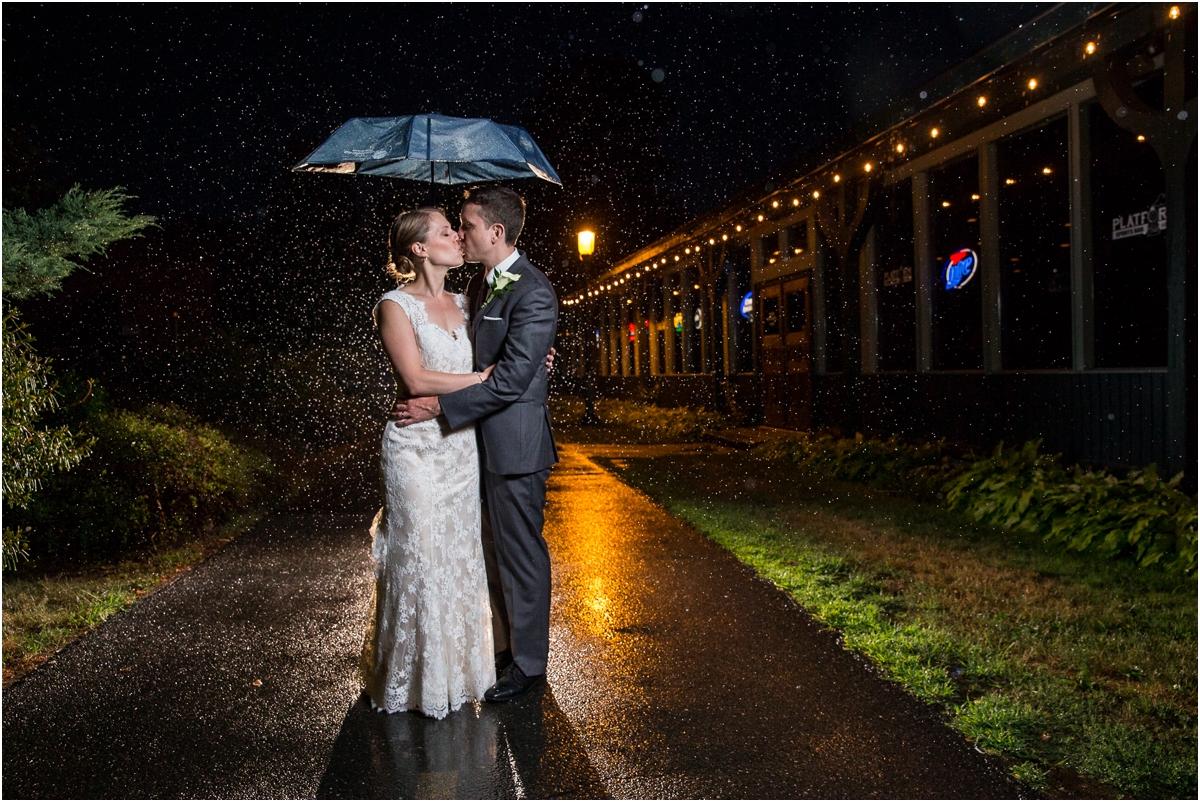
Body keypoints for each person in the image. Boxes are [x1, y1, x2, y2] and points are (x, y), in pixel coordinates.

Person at [394, 185, 559, 703]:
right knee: (487, 554)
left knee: (520, 554)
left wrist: (439, 406)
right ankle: (505, 648)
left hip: (513, 447)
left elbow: (509, 380)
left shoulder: (533, 290)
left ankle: (529, 666)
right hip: (471, 447)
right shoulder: (479, 284)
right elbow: (476, 359)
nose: (460, 234)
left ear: (496, 232)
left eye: (465, 225)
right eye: (455, 227)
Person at [360, 207, 497, 719]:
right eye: (446, 232)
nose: (459, 237)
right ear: (420, 249)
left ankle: (457, 674)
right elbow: (416, 380)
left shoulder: (468, 301)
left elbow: (503, 350)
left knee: (457, 556)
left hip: (461, 450)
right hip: (413, 448)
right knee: (418, 553)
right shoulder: (394, 306)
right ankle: (409, 679)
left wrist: (533, 358)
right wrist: (483, 380)